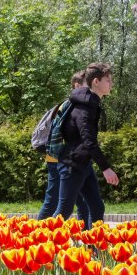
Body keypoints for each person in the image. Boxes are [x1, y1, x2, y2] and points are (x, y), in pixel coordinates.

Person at [53, 63, 120, 226]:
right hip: (71, 164)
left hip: (83, 164)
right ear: (96, 82)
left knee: (97, 207)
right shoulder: (85, 108)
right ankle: (35, 244)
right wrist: (106, 168)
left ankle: (92, 249)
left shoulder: (91, 104)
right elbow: (89, 141)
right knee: (64, 211)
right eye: (108, 80)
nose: (111, 83)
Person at [38, 71, 89, 223]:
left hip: (72, 161)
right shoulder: (68, 106)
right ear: (77, 85)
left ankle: (89, 242)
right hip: (58, 159)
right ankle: (36, 238)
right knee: (53, 201)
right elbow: (57, 136)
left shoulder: (80, 106)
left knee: (83, 203)